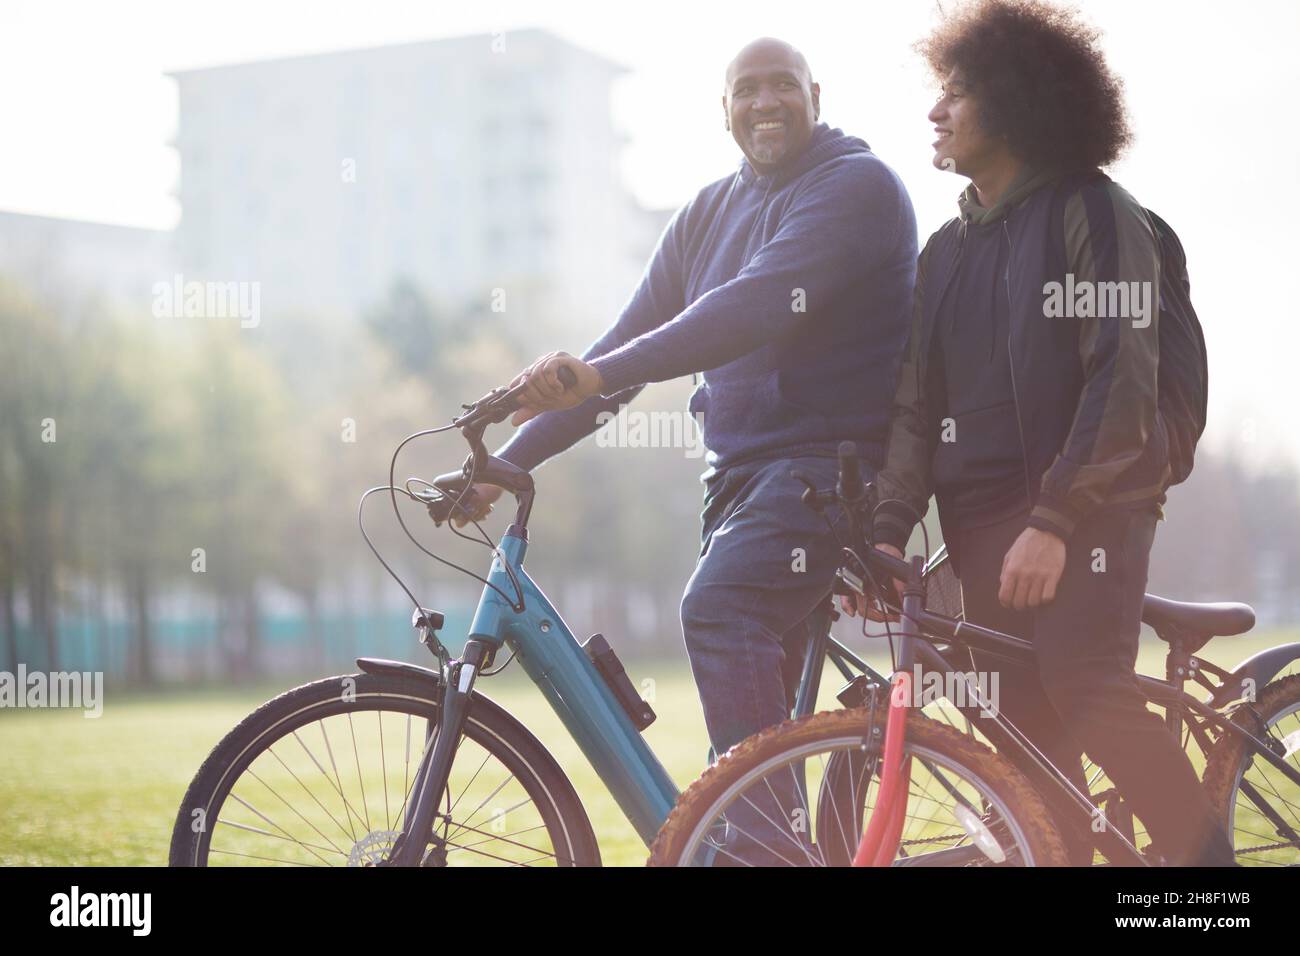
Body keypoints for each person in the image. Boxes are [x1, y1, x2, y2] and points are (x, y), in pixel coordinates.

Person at [846, 0, 1234, 866]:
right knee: (1016, 732)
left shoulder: (1096, 211)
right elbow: (915, 407)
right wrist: (884, 530)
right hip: (980, 523)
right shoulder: (943, 252)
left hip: (1088, 511)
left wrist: (1055, 520)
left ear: (1017, 101)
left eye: (957, 93)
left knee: (1087, 688)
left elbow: (1124, 380)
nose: (934, 112)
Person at [463, 37, 917, 770]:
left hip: (822, 473)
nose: (764, 102)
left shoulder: (854, 186)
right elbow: (626, 349)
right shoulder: (706, 212)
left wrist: (594, 373)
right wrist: (508, 462)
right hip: (736, 482)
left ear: (816, 96)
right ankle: (762, 838)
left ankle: (760, 851)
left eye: (782, 86)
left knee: (719, 610)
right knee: (750, 739)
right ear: (725, 109)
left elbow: (751, 307)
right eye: (747, 90)